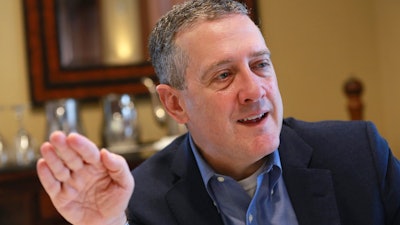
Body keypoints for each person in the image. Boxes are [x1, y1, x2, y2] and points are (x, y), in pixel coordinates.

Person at [37, 0, 400, 224]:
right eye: (224, 75)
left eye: (260, 65)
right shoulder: (137, 203)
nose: (254, 90)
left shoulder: (359, 155)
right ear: (175, 104)